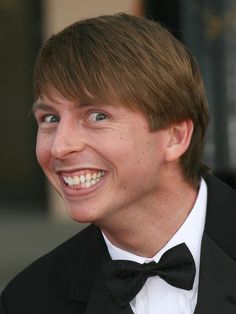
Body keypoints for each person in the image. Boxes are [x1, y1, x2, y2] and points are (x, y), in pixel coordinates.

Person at [0, 13, 236, 314]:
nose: (59, 146)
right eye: (50, 118)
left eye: (97, 116)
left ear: (175, 136)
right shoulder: (28, 301)